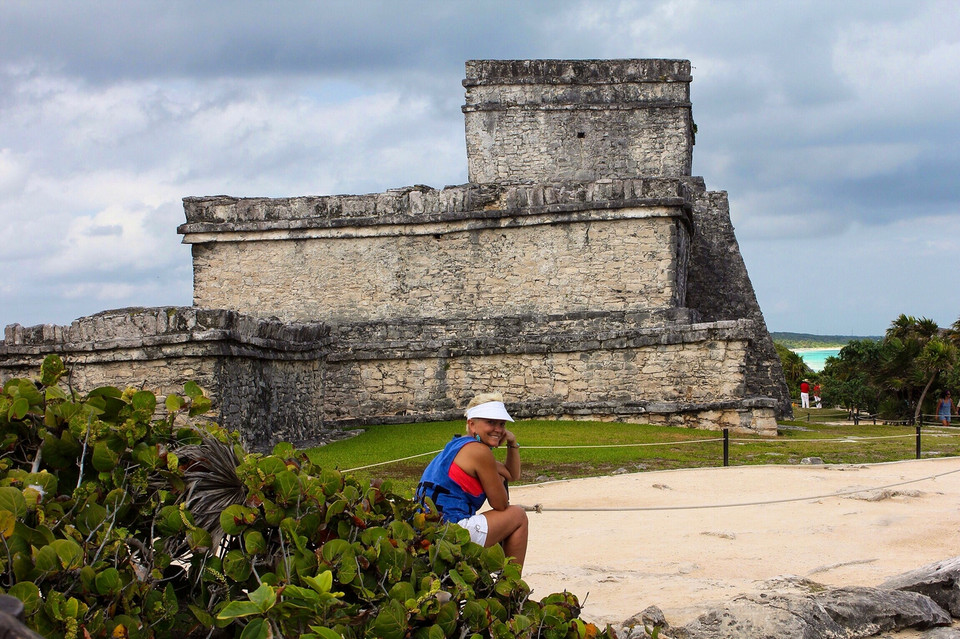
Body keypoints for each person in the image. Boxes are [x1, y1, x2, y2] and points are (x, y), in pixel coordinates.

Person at [416, 392, 529, 569]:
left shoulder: (459, 444)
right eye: (490, 422)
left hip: (425, 526)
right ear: (472, 424)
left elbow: (511, 474)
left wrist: (512, 443)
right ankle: (511, 585)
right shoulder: (480, 452)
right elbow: (500, 504)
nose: (498, 429)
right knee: (518, 515)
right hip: (451, 530)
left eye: (502, 424)